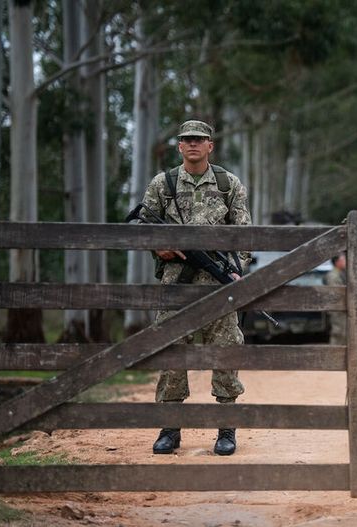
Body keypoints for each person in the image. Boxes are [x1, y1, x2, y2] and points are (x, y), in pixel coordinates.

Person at [141, 119, 252, 456]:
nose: (192, 144)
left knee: (225, 352)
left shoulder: (228, 183)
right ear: (179, 146)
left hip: (220, 284)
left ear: (210, 145)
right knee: (173, 353)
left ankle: (226, 430)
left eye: (199, 139)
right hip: (175, 285)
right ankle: (170, 430)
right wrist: (159, 248)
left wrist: (237, 272)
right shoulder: (163, 183)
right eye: (186, 139)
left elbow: (245, 233)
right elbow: (145, 225)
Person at [325, 253, 347, 345]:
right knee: (337, 332)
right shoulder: (333, 275)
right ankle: (334, 355)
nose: (345, 262)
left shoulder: (340, 274)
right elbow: (335, 294)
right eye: (343, 260)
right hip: (336, 309)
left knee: (343, 333)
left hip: (340, 308)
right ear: (337, 262)